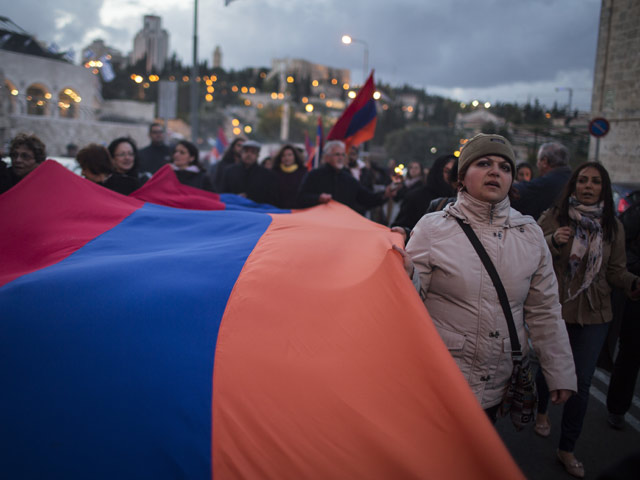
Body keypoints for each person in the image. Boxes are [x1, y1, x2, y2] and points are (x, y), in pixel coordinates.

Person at [396, 133, 576, 426]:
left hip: (497, 382)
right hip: (442, 378)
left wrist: (560, 371)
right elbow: (412, 302)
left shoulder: (530, 234)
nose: (496, 171)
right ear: (462, 177)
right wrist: (407, 276)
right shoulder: (432, 228)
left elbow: (544, 310)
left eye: (505, 167)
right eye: (484, 163)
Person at [535, 162, 640, 478]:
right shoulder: (554, 216)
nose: (588, 186)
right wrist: (553, 240)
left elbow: (615, 270)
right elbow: (530, 252)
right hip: (557, 307)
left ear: (603, 188)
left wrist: (632, 283)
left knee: (580, 380)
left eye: (595, 181)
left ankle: (567, 447)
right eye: (582, 180)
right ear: (574, 185)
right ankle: (541, 409)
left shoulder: (613, 226)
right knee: (547, 367)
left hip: (596, 313)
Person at [606, 198, 640, 430]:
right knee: (632, 351)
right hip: (636, 291)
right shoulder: (637, 210)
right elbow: (619, 247)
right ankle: (617, 408)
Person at [296, 140, 395, 212]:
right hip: (318, 224)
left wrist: (384, 195)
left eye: (343, 155)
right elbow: (301, 198)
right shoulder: (314, 175)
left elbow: (366, 198)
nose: (340, 158)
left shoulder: (349, 179)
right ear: (327, 157)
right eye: (337, 154)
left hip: (342, 226)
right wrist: (318, 198)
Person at [392, 154, 456, 231]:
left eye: (455, 172)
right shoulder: (416, 197)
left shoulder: (463, 200)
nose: (452, 177)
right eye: (447, 171)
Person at [511, 142, 572, 219]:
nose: (537, 165)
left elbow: (521, 191)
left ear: (544, 161)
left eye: (538, 160)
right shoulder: (570, 179)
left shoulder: (548, 183)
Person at [220, 140, 278, 205]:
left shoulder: (266, 174)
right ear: (241, 153)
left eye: (253, 152)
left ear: (257, 155)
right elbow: (223, 194)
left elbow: (270, 197)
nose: (249, 154)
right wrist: (235, 198)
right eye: (246, 151)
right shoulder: (230, 171)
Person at [272, 144, 307, 209]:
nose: (286, 158)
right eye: (283, 155)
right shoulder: (273, 173)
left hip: (298, 210)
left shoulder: (303, 172)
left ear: (295, 156)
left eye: (289, 155)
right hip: (278, 210)